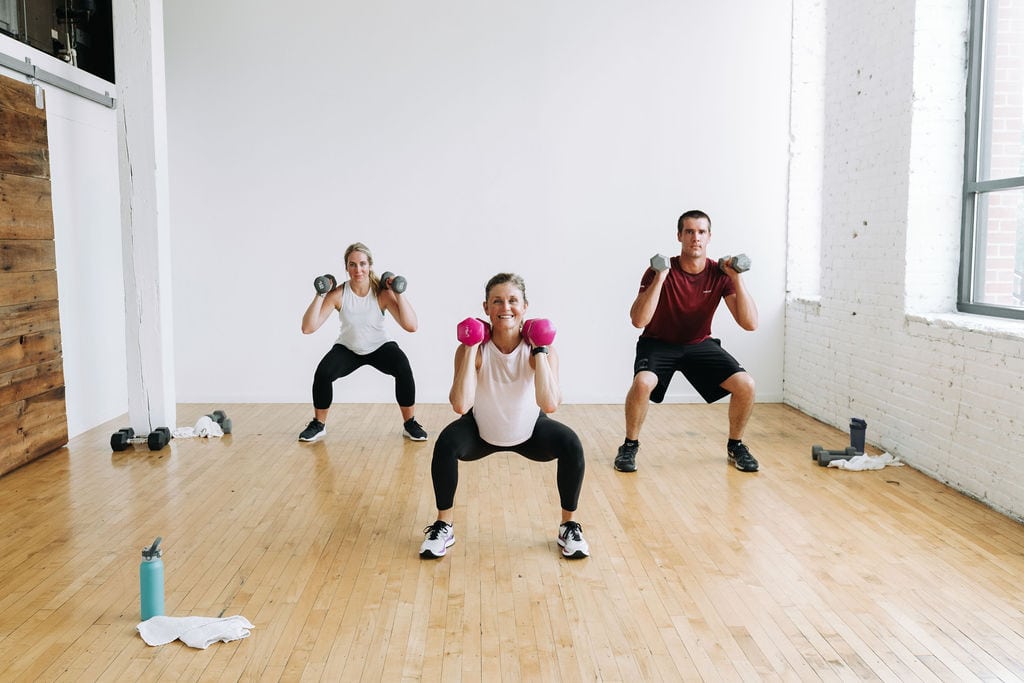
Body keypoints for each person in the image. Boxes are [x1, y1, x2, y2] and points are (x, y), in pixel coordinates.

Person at [419, 273, 589, 560]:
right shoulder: (473, 350)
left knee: (571, 443)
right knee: (446, 443)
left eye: (512, 300)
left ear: (525, 306)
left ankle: (568, 525)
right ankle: (443, 525)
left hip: (530, 432)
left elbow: (549, 404)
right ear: (486, 308)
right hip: (481, 432)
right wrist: (471, 346)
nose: (505, 307)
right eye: (497, 301)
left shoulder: (542, 350)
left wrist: (541, 351)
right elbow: (460, 405)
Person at [614, 210, 759, 474]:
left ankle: (736, 445)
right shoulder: (658, 270)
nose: (695, 238)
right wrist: (660, 278)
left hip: (698, 344)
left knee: (746, 384)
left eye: (701, 232)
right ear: (679, 236)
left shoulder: (720, 273)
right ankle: (629, 445)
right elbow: (638, 320)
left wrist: (737, 278)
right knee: (643, 382)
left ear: (709, 237)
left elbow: (750, 323)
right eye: (689, 232)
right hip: (658, 343)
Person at [298, 242, 427, 443]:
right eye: (352, 265)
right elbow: (308, 328)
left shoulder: (381, 293)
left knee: (403, 367)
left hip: (379, 347)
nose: (358, 269)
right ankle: (318, 424)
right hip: (348, 348)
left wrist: (397, 292)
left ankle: (409, 423)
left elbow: (411, 326)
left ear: (370, 266)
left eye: (362, 264)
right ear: (346, 267)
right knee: (323, 373)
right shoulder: (339, 294)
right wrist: (320, 294)